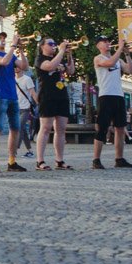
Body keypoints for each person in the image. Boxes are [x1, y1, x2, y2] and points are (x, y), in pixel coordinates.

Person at [0, 32, 29, 173]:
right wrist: (13, 46)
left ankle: (12, 161)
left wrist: (21, 50)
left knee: (15, 129)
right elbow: (3, 61)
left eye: (4, 38)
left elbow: (25, 66)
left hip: (12, 96)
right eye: (0, 39)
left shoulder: (12, 55)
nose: (3, 41)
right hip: (0, 95)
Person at [91, 36, 132, 169]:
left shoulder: (118, 59)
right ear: (98, 46)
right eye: (104, 42)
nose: (108, 43)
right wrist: (120, 48)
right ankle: (96, 159)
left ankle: (119, 158)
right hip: (105, 96)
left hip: (118, 96)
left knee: (120, 128)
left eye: (108, 41)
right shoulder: (98, 58)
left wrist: (127, 54)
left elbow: (131, 70)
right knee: (102, 128)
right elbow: (110, 63)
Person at [35, 37, 76, 171]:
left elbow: (70, 71)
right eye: (50, 44)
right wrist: (61, 50)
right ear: (42, 46)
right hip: (47, 96)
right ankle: (40, 160)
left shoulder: (59, 58)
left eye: (54, 44)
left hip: (61, 95)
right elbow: (50, 66)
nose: (53, 46)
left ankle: (59, 160)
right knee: (46, 128)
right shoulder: (40, 59)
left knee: (61, 129)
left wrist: (69, 55)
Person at [16, 66, 38, 158]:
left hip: (25, 108)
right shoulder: (12, 79)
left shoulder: (27, 79)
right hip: (15, 108)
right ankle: (30, 151)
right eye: (14, 66)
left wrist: (39, 104)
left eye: (17, 66)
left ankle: (15, 150)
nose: (16, 68)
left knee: (19, 127)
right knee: (23, 130)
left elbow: (33, 93)